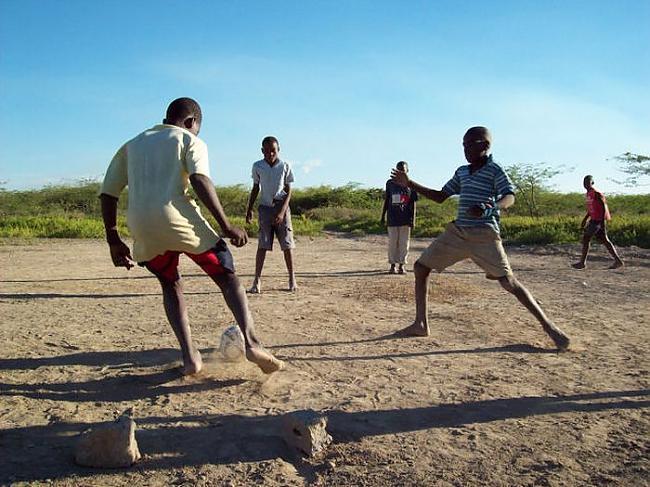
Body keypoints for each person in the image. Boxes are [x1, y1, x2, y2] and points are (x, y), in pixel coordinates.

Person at [99, 97, 284, 375]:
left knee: (170, 283)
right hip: (179, 220)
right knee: (227, 275)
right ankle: (252, 342)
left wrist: (113, 239)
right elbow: (199, 179)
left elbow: (108, 192)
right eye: (197, 127)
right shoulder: (188, 139)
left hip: (142, 225)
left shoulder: (132, 144)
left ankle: (190, 358)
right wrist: (225, 225)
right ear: (191, 122)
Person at [390, 126, 571, 351]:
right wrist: (409, 183)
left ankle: (550, 327)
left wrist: (492, 206)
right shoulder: (462, 172)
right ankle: (421, 323)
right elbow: (440, 197)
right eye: (463, 145)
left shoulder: (495, 170)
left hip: (484, 233)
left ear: (485, 146)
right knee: (420, 267)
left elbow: (509, 196)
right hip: (458, 233)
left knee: (508, 281)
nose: (465, 150)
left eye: (470, 145)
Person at [245, 136, 297, 293]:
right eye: (266, 151)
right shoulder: (258, 166)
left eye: (273, 150)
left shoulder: (285, 166)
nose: (270, 154)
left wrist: (282, 212)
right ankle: (257, 281)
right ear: (262, 151)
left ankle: (292, 279)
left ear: (278, 150)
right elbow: (255, 188)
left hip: (281, 208)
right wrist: (249, 209)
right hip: (265, 209)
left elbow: (288, 191)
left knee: (287, 245)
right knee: (263, 245)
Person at [572, 175, 624, 269]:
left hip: (598, 220)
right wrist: (585, 219)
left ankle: (582, 263)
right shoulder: (588, 194)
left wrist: (602, 223)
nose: (586, 184)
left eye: (588, 182)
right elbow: (591, 208)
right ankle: (618, 261)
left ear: (592, 183)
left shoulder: (597, 193)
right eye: (584, 182)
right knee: (605, 240)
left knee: (586, 238)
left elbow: (603, 207)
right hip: (594, 219)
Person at [381, 161, 418, 274]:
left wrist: (413, 219)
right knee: (393, 243)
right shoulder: (390, 183)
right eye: (399, 170)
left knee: (404, 243)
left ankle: (402, 265)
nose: (401, 172)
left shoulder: (411, 185)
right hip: (392, 218)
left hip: (405, 219)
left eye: (403, 170)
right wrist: (383, 216)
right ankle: (392, 265)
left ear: (407, 171)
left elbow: (413, 204)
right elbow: (387, 199)